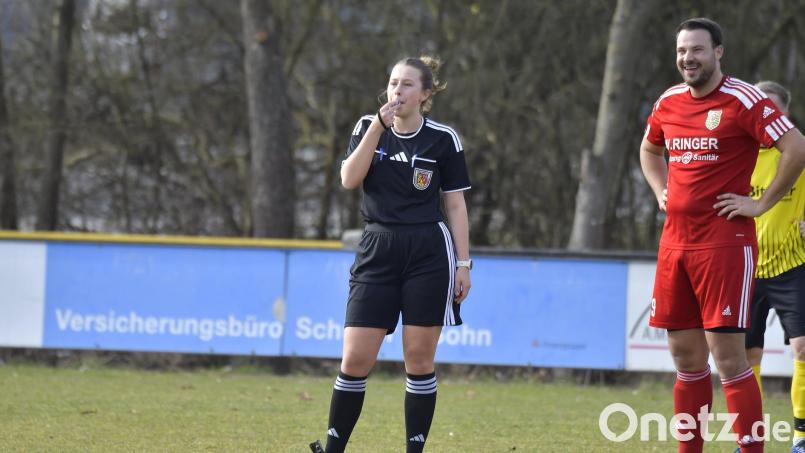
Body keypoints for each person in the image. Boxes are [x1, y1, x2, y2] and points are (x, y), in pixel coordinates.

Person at [640, 17, 805, 453]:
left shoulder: (744, 100)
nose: (687, 59)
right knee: (686, 361)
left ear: (718, 53)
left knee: (730, 360)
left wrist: (762, 203)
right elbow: (650, 148)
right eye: (681, 51)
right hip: (675, 244)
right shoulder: (670, 100)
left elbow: (796, 147)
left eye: (696, 50)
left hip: (724, 246)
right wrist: (661, 191)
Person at [309, 55, 472, 453]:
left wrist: (464, 264)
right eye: (393, 83)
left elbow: (454, 206)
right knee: (355, 358)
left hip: (427, 251)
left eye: (407, 85)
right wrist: (378, 129)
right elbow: (349, 179)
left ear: (426, 94)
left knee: (418, 361)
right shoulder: (368, 127)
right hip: (377, 247)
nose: (397, 91)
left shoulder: (443, 139)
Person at [743, 81, 805, 452]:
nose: (765, 116)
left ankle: (801, 435)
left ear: (785, 114)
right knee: (745, 356)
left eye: (772, 110)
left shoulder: (798, 153)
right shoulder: (738, 153)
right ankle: (750, 436)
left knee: (803, 347)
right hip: (745, 266)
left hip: (792, 266)